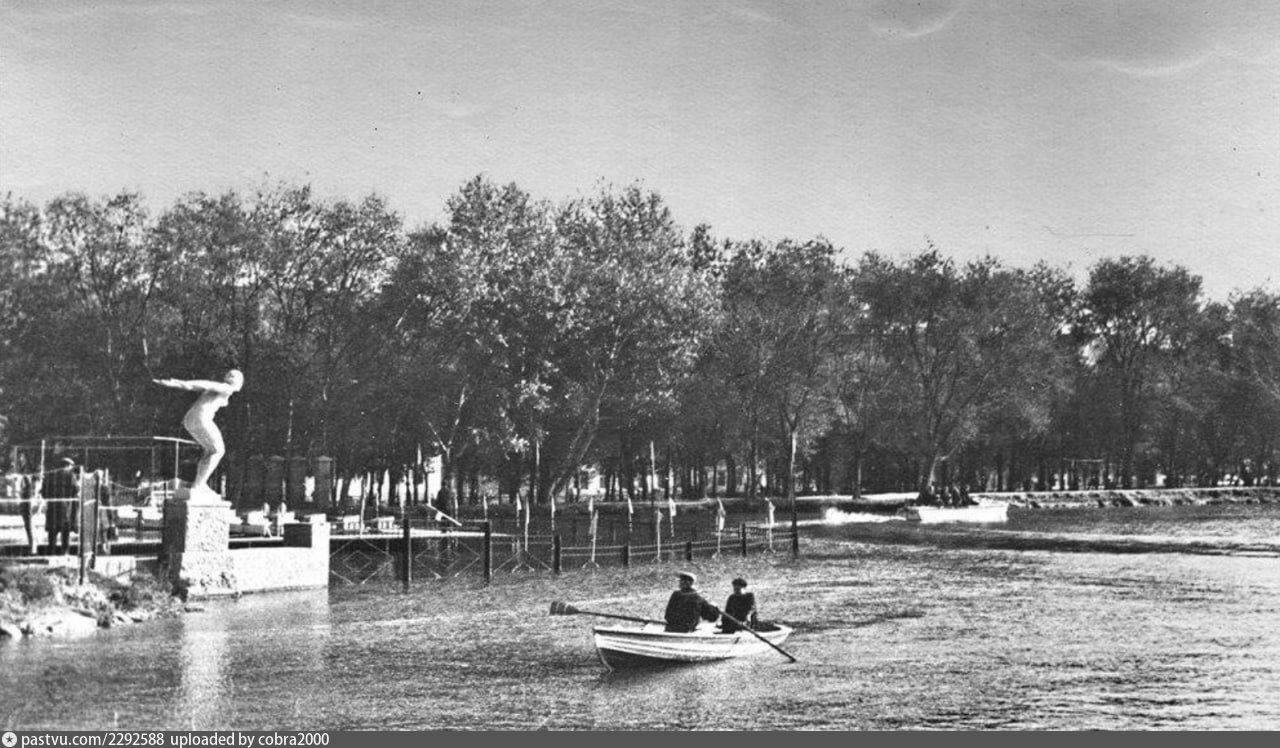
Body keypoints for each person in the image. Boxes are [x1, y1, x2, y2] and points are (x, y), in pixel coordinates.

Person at [153, 369, 244, 494]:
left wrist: (180, 383)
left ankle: (199, 483)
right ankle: (199, 485)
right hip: (201, 418)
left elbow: (199, 386)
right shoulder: (226, 387)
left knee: (210, 451)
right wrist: (181, 383)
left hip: (189, 419)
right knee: (218, 451)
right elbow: (205, 384)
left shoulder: (222, 388)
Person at [43, 456, 80, 555]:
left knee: (52, 530)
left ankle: (51, 551)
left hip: (52, 508)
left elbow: (44, 493)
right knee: (65, 531)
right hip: (65, 508)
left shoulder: (50, 475)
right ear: (67, 465)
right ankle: (65, 552)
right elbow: (76, 489)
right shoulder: (71, 475)